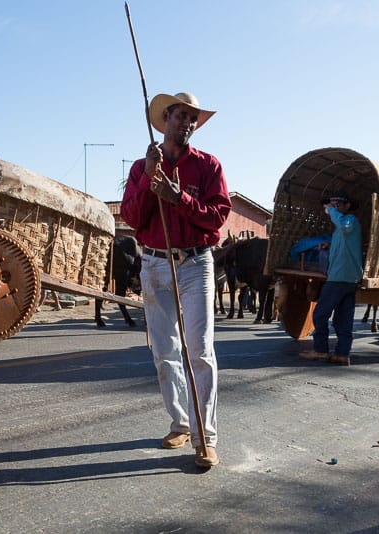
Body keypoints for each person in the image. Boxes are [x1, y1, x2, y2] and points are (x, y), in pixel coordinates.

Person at [120, 91, 231, 468]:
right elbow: (134, 218)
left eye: (192, 118)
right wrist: (152, 179)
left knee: (199, 351)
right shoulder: (142, 166)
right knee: (164, 352)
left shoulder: (208, 166)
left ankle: (206, 438)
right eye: (180, 116)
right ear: (164, 119)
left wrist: (178, 197)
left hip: (195, 263)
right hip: (153, 263)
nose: (186, 123)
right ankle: (181, 422)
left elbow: (217, 217)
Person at [299, 190, 363, 365]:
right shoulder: (341, 230)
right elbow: (343, 242)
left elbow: (344, 226)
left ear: (347, 206)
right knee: (343, 318)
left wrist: (331, 210)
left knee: (320, 314)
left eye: (337, 205)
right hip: (347, 277)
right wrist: (329, 244)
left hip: (340, 277)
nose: (332, 208)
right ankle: (342, 354)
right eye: (331, 205)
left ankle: (321, 350)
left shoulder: (350, 220)